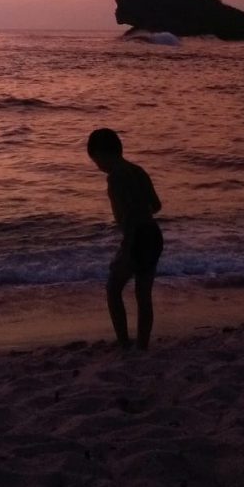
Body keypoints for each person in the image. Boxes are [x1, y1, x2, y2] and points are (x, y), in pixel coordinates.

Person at [86, 127, 163, 350]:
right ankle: (143, 345)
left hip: (136, 237)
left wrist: (127, 248)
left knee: (113, 288)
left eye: (96, 161)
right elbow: (156, 206)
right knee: (143, 295)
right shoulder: (138, 170)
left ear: (101, 154)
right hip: (153, 235)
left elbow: (125, 216)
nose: (98, 166)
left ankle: (123, 344)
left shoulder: (115, 178)